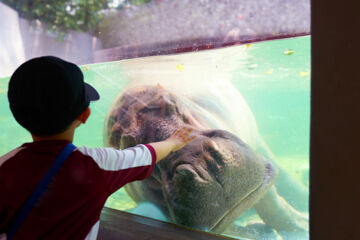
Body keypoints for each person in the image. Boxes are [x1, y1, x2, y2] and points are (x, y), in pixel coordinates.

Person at [0, 56, 195, 240]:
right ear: (85, 115)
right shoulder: (98, 166)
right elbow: (145, 155)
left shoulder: (4, 166)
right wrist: (173, 143)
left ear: (18, 117)